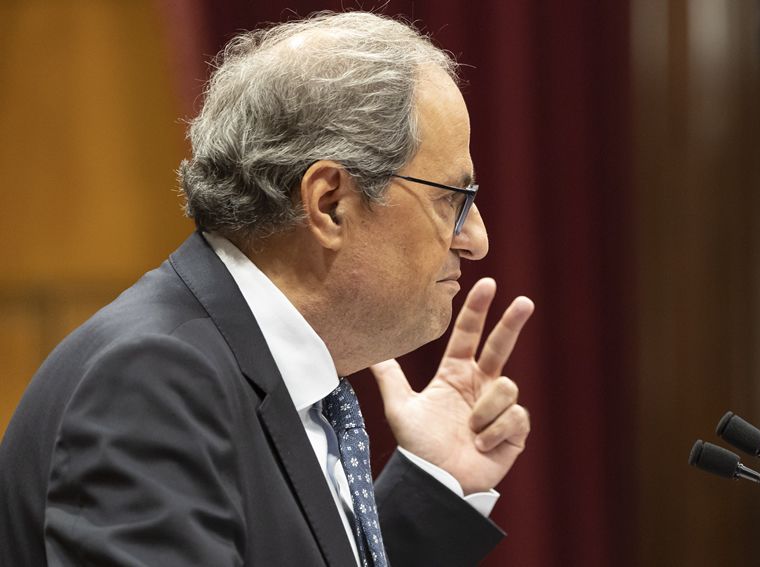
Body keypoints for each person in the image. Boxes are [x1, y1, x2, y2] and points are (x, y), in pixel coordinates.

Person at [0, 11, 533, 567]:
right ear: (329, 204)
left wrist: (435, 483)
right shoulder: (154, 382)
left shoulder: (241, 369)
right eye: (452, 199)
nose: (477, 240)